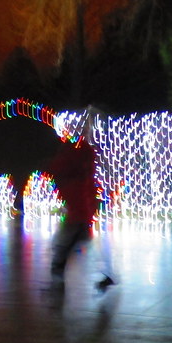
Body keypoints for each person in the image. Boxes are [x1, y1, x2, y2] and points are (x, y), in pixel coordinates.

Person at [48, 110, 115, 292]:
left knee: (69, 241)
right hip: (81, 205)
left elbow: (58, 169)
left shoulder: (75, 152)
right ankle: (103, 273)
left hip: (79, 206)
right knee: (74, 241)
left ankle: (59, 272)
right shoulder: (82, 153)